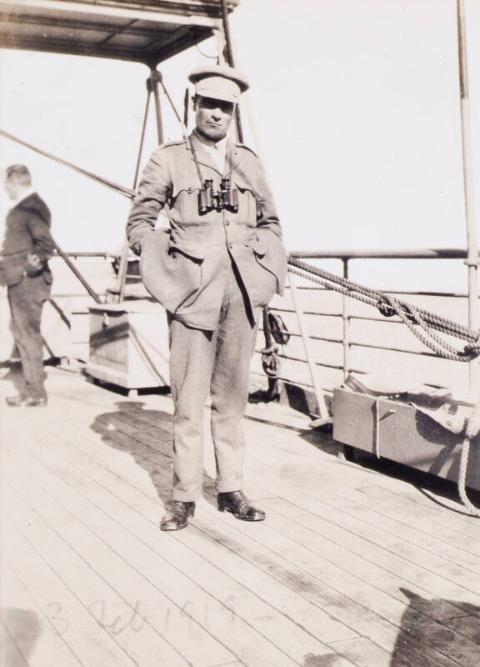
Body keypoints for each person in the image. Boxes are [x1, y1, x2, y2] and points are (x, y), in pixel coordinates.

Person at [127, 64, 287, 531]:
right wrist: (167, 272)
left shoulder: (249, 162)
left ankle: (232, 488)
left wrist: (266, 271)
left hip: (240, 294)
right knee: (188, 399)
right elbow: (140, 222)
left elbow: (271, 223)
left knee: (232, 398)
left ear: (234, 112)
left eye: (225, 107)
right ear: (194, 106)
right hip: (192, 296)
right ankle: (183, 497)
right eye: (208, 104)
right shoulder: (168, 159)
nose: (215, 114)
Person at [0, 164, 55, 407]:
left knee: (28, 336)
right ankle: (31, 390)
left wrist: (26, 270)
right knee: (22, 336)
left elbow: (45, 245)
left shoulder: (31, 207)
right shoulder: (24, 207)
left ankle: (36, 393)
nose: (4, 188)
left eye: (5, 183)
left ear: (14, 182)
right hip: (17, 281)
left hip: (27, 283)